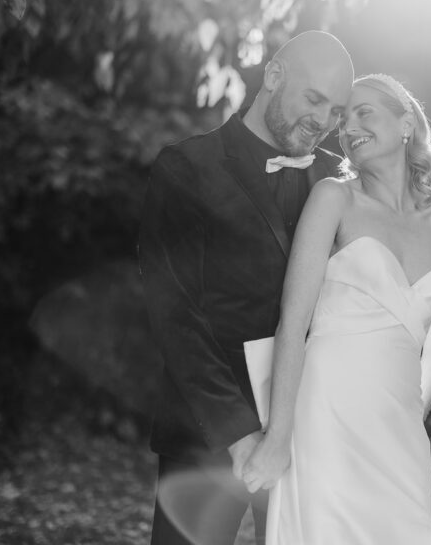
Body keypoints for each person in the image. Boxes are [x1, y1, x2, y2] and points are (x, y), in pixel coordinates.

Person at [138, 30, 354, 545]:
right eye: (314, 99)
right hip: (206, 437)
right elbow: (174, 313)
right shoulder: (186, 168)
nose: (323, 122)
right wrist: (240, 437)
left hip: (308, 432)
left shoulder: (341, 186)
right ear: (274, 76)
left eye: (337, 112)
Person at [241, 74, 431, 544]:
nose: (348, 127)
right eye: (343, 119)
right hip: (324, 411)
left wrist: (411, 414)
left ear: (406, 123)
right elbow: (294, 321)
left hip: (399, 422)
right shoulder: (333, 197)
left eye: (365, 112)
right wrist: (279, 434)